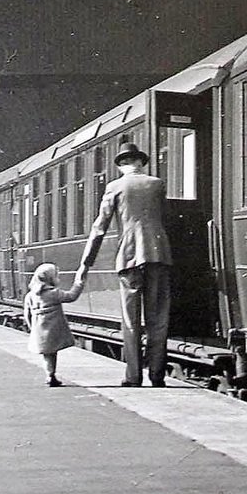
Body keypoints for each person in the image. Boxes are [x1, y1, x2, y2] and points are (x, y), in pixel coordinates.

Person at [77, 141, 171, 387]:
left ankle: (133, 376)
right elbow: (163, 218)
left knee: (130, 321)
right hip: (158, 255)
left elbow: (100, 227)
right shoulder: (157, 184)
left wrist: (86, 263)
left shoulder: (114, 187)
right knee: (158, 319)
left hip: (128, 258)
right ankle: (157, 376)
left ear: (121, 166)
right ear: (140, 162)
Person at [24, 262, 85, 386]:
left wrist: (32, 328)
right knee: (53, 353)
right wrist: (78, 283)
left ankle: (49, 375)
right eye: (56, 275)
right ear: (50, 279)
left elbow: (27, 314)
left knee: (47, 355)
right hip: (53, 331)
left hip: (39, 330)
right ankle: (51, 375)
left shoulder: (30, 296)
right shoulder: (54, 293)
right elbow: (71, 296)